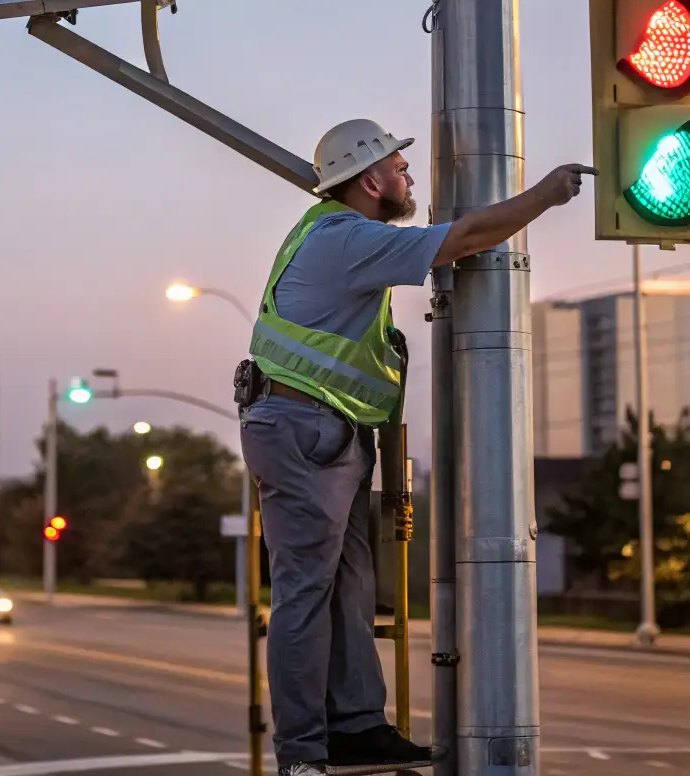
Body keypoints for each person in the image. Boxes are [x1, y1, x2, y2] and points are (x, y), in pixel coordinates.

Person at [237, 119, 592, 775]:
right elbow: (465, 239)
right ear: (369, 181)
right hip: (302, 430)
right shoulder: (347, 237)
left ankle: (355, 726)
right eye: (398, 169)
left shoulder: (333, 235)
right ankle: (303, 755)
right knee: (305, 593)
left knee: (346, 591)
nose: (408, 178)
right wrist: (545, 194)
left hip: (321, 431)